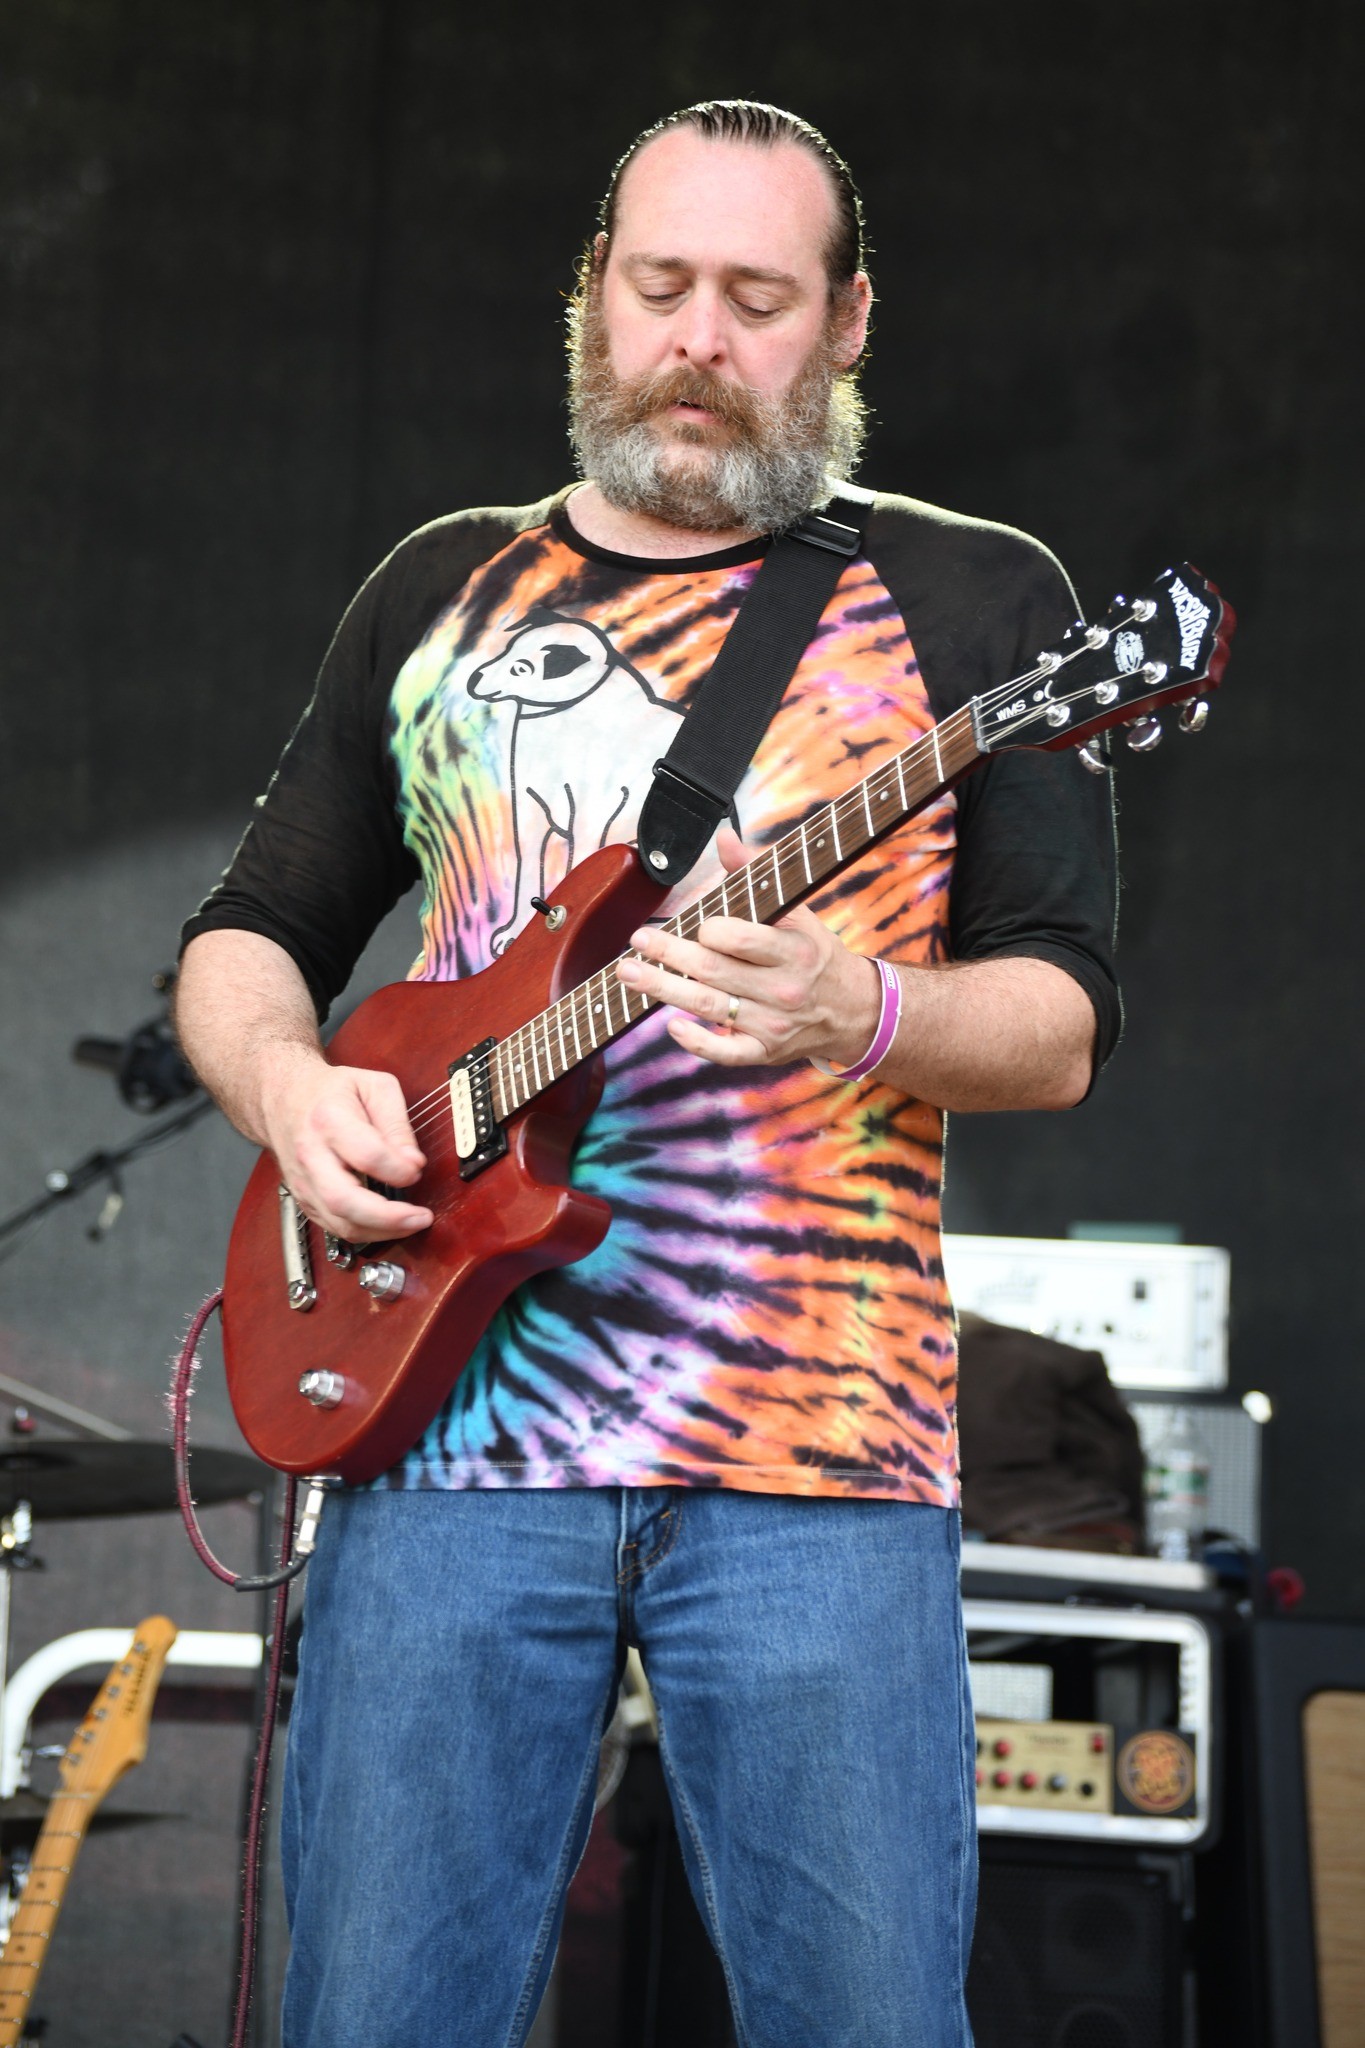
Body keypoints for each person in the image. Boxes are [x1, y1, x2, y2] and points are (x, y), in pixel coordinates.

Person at [176, 100, 1118, 2048]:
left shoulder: (977, 602)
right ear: (590, 295)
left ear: (846, 321)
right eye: (657, 284)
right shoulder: (438, 588)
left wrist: (859, 1009)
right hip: (444, 1433)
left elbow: (1055, 1024)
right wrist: (286, 1091)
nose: (696, 338)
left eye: (755, 298)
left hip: (816, 1458)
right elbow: (250, 932)